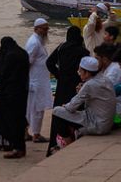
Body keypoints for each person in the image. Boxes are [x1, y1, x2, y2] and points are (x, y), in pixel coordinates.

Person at [51, 56, 116, 147]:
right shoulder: (106, 80)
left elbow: (71, 107)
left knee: (57, 111)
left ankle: (69, 145)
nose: (79, 73)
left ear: (87, 73)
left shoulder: (89, 85)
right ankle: (74, 135)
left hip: (97, 124)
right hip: (106, 123)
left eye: (80, 71)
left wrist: (65, 106)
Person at [45, 26, 89, 155]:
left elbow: (49, 63)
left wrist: (59, 75)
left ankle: (55, 143)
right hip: (76, 85)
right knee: (75, 112)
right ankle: (73, 140)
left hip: (62, 86)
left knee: (59, 113)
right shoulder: (83, 51)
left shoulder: (61, 48)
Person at [0, 36, 29, 158]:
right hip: (22, 92)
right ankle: (20, 147)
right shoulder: (23, 53)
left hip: (10, 94)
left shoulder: (9, 56)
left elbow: (3, 75)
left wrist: (0, 86)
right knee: (19, 120)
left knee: (10, 120)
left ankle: (17, 148)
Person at [26, 18, 53, 144]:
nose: (46, 31)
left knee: (34, 108)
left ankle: (28, 133)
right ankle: (35, 135)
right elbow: (27, 63)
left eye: (47, 28)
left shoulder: (39, 41)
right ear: (36, 29)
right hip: (36, 82)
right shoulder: (34, 43)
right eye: (44, 28)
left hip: (39, 81)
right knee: (36, 109)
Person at [93, 43, 121, 125]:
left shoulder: (114, 70)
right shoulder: (108, 68)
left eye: (97, 59)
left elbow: (103, 91)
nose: (95, 62)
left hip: (118, 115)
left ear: (105, 59)